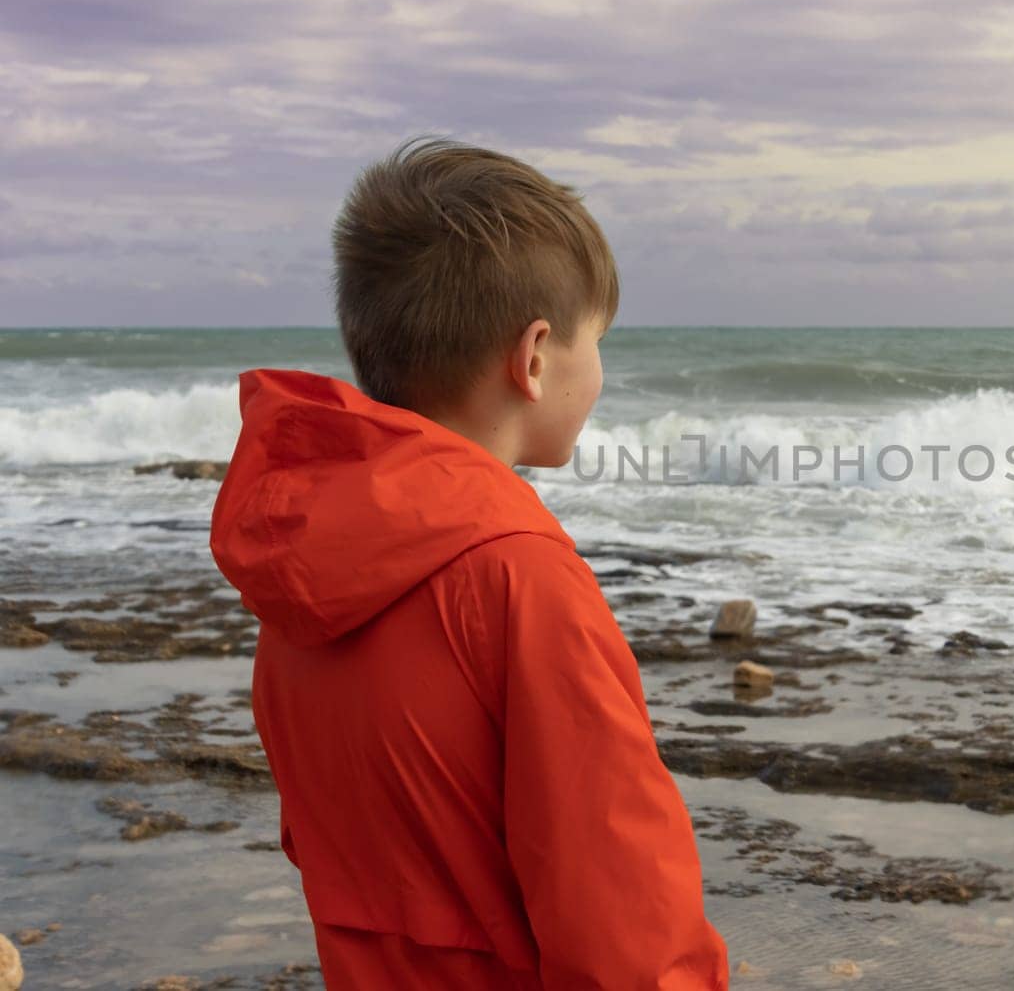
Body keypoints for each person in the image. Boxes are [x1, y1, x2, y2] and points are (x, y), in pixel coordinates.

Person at [210, 136, 729, 989]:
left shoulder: (303, 569)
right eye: (596, 342)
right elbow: (620, 906)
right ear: (532, 359)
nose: (599, 372)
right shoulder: (517, 576)